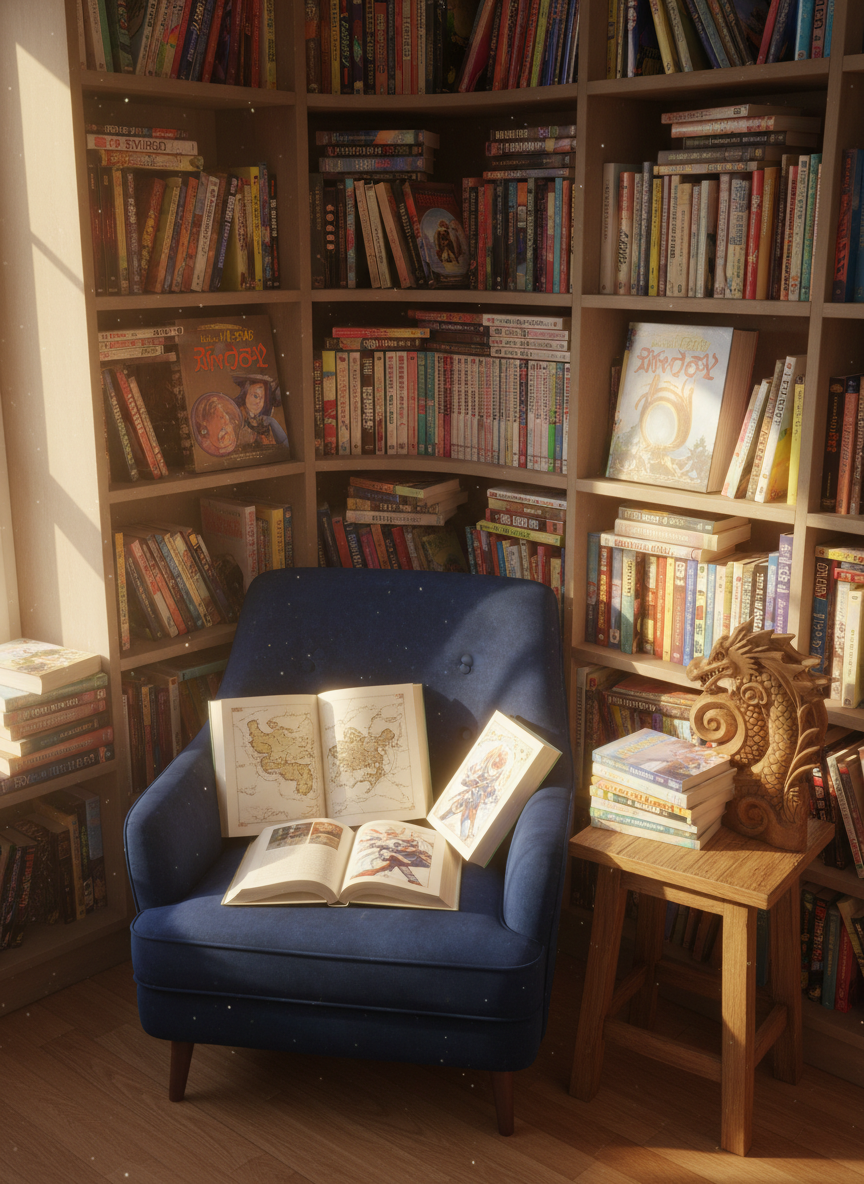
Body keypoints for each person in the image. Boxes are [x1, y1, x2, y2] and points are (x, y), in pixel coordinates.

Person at [233, 374, 288, 450]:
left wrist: (272, 422)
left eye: (263, 398)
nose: (259, 402)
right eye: (255, 396)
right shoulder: (236, 418)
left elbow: (286, 446)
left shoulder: (263, 421)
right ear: (245, 395)